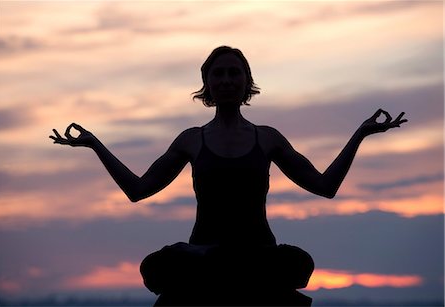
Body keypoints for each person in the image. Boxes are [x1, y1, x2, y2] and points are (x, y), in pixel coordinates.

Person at [50, 46, 408, 306]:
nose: (225, 79)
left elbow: (325, 186)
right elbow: (138, 190)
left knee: (298, 264)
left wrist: (359, 134)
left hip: (257, 257)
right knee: (157, 268)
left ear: (246, 81)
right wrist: (96, 145)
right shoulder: (191, 140)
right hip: (203, 257)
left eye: (233, 72)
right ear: (206, 84)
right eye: (217, 73)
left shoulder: (267, 138)